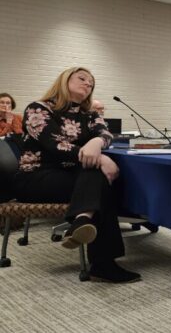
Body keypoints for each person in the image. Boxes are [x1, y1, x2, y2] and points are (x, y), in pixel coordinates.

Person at [13, 67, 140, 283]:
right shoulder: (38, 109)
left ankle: (81, 221)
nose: (88, 84)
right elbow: (53, 144)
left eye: (91, 83)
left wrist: (97, 141)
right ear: (64, 80)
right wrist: (98, 158)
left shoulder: (88, 114)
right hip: (36, 176)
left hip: (72, 176)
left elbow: (106, 133)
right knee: (98, 175)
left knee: (97, 178)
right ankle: (103, 263)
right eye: (82, 78)